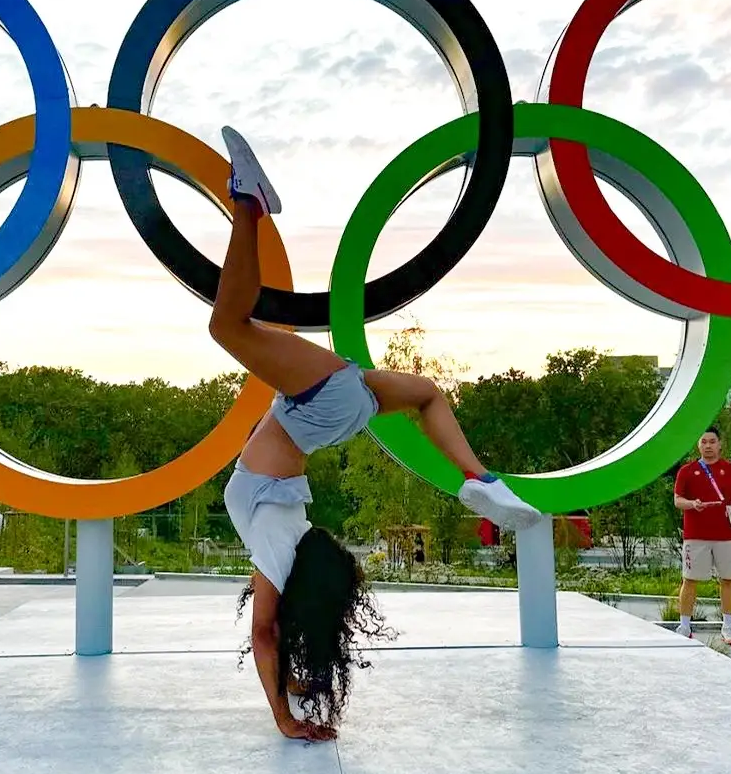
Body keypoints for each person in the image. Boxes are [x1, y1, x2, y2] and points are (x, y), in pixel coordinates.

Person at [212, 127, 542, 741]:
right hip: (316, 408)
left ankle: (478, 476)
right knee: (227, 327)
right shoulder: (281, 545)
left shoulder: (289, 539)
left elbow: (272, 631)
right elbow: (264, 632)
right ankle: (246, 202)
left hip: (329, 413)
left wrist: (292, 687)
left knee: (427, 394)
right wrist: (284, 719)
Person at [673, 427, 731, 644]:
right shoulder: (687, 471)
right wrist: (692, 504)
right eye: (703, 442)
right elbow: (678, 500)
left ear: (720, 444)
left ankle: (728, 626)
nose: (708, 446)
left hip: (725, 534)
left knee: (728, 579)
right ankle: (684, 626)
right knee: (689, 579)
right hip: (696, 535)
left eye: (712, 442)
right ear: (698, 445)